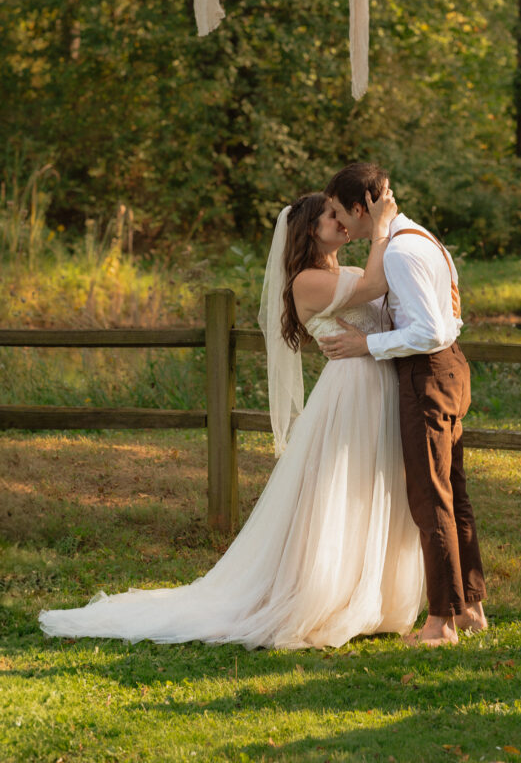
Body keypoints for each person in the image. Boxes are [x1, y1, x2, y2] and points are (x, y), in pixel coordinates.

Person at [39, 188, 425, 649]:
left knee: (373, 485)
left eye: (341, 214)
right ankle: (327, 593)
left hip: (379, 383)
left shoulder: (347, 271)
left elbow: (387, 303)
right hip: (352, 392)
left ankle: (371, 593)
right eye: (330, 216)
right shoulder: (306, 281)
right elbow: (374, 290)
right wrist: (382, 228)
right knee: (342, 489)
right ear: (308, 230)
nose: (342, 222)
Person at [320, 162, 487, 647]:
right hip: (450, 369)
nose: (340, 226)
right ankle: (471, 607)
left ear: (358, 208)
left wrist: (366, 346)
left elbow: (429, 329)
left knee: (429, 497)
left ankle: (440, 624)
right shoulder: (419, 236)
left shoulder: (400, 251)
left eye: (337, 213)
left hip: (427, 375)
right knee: (452, 492)